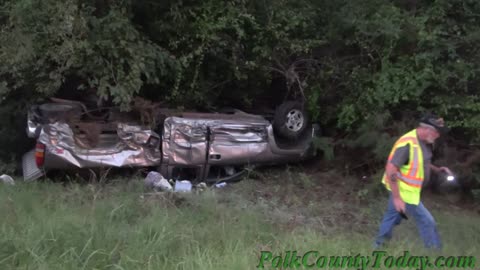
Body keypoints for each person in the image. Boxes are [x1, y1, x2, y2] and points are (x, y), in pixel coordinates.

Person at [373, 113, 452, 250]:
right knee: (427, 221)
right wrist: (398, 198)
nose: (438, 136)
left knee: (392, 217)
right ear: (427, 129)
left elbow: (421, 162)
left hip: (409, 190)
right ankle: (434, 254)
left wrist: (437, 170)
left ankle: (378, 247)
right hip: (404, 191)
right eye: (437, 132)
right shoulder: (407, 144)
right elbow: (391, 169)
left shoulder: (426, 142)